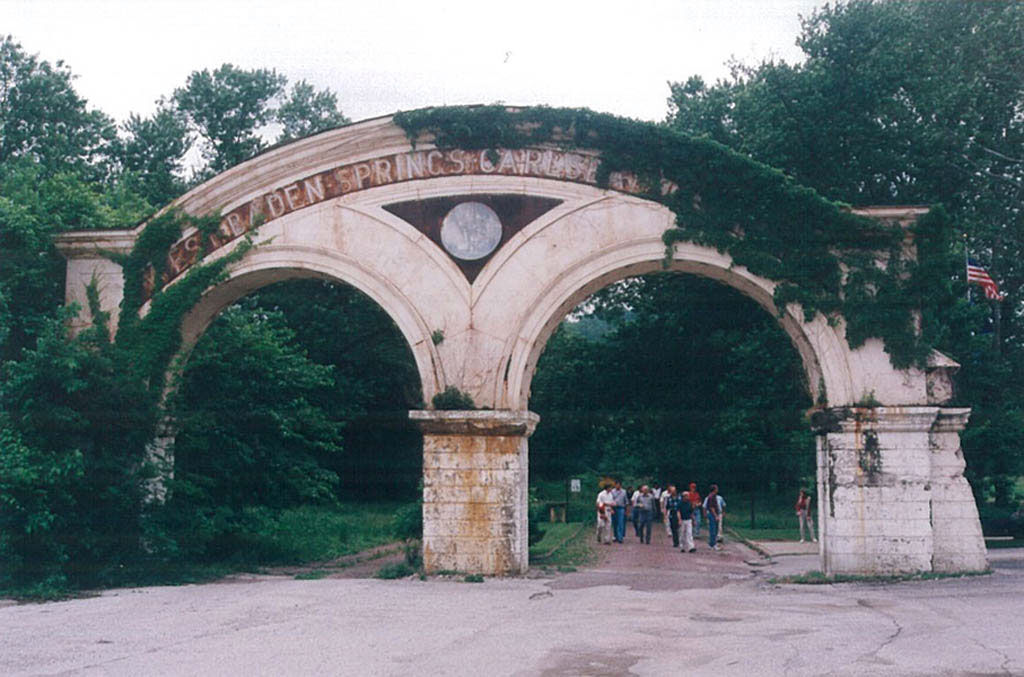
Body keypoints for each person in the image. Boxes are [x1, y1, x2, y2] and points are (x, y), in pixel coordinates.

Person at [678, 488, 696, 552]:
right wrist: (679, 519)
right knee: (682, 533)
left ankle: (691, 547)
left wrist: (693, 520)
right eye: (686, 496)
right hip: (682, 519)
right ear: (683, 496)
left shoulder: (689, 503)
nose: (688, 497)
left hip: (688, 520)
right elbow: (678, 512)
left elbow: (691, 512)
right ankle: (682, 546)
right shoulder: (680, 503)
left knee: (689, 533)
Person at [704, 484, 721, 550]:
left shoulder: (714, 496)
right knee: (713, 529)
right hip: (712, 514)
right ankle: (713, 544)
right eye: (716, 488)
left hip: (714, 514)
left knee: (715, 529)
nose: (717, 490)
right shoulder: (711, 497)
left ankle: (712, 543)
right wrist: (716, 515)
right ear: (714, 489)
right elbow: (711, 507)